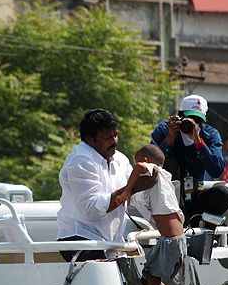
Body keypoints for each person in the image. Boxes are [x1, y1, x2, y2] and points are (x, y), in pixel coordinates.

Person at [57, 109, 156, 262]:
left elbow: (137, 198)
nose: (114, 141)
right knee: (108, 274)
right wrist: (133, 187)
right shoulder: (80, 161)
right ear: (90, 140)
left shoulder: (120, 159)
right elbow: (92, 210)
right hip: (80, 238)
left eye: (115, 135)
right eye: (108, 138)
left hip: (109, 243)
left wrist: (152, 181)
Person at [121, 144, 194, 285]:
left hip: (171, 241)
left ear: (146, 160)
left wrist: (127, 191)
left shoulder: (154, 170)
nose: (136, 166)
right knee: (149, 278)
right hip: (170, 240)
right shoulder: (162, 179)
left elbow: (140, 168)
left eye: (137, 161)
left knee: (150, 280)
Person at [151, 95, 228, 226]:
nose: (192, 125)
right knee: (171, 165)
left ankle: (203, 223)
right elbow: (151, 164)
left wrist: (199, 143)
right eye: (189, 119)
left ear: (203, 121)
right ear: (180, 116)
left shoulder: (210, 135)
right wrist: (169, 139)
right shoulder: (165, 130)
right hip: (168, 195)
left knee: (224, 193)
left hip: (195, 193)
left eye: (197, 121)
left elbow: (216, 170)